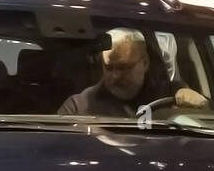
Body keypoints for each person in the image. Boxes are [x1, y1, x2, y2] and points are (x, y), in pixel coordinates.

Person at [58, 28, 204, 117]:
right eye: (109, 68)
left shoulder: (173, 94)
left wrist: (200, 107)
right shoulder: (78, 107)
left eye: (124, 67)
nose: (115, 76)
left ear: (145, 63)